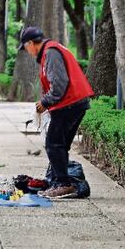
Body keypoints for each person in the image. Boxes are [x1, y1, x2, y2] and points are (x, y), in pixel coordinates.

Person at [20, 26, 94, 199]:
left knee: (53, 143)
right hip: (76, 102)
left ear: (31, 43)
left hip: (70, 103)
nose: (27, 51)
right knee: (60, 145)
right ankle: (58, 180)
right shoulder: (52, 50)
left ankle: (64, 184)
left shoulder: (50, 53)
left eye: (25, 47)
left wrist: (45, 102)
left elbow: (59, 84)